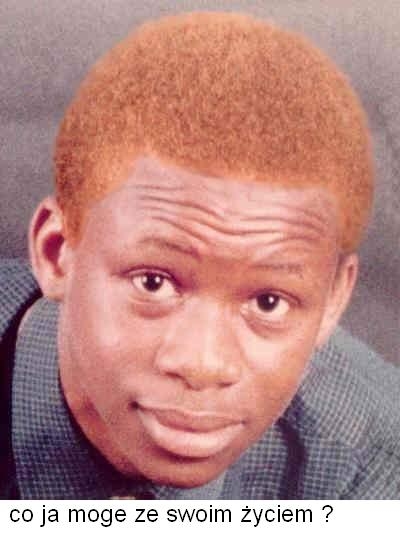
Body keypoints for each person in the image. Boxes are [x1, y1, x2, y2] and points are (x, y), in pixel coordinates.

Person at [1, 11, 399, 500]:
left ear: (333, 300)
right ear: (57, 253)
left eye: (269, 302)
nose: (203, 363)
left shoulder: (371, 462)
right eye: (153, 282)